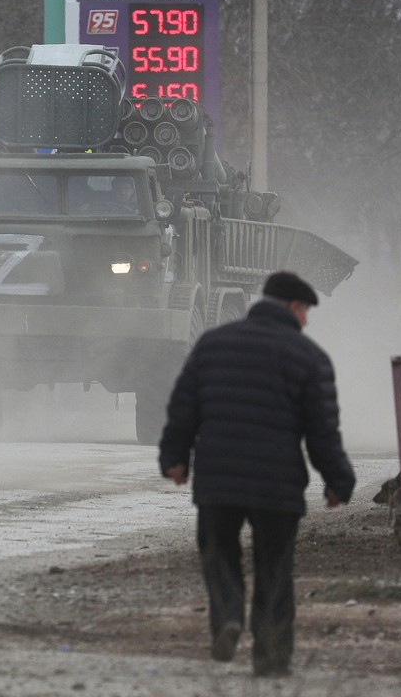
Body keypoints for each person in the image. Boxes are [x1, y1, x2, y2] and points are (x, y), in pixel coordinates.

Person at [158, 270, 355, 678]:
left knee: (219, 555)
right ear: (293, 308)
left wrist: (175, 458)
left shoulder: (212, 345)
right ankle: (270, 658)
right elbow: (322, 430)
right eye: (305, 313)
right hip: (277, 486)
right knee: (275, 570)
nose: (306, 323)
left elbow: (183, 407)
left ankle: (229, 615)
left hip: (218, 481)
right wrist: (338, 481)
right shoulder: (308, 357)